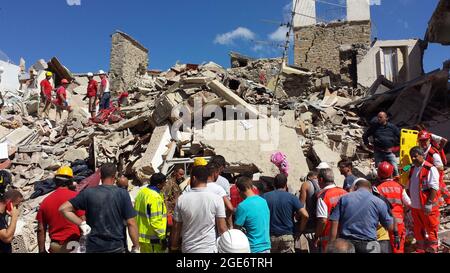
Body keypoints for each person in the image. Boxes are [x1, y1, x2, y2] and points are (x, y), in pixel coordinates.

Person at [59, 163, 140, 253]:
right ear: (114, 176)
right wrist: (136, 246)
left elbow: (63, 209)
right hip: (116, 248)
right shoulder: (122, 194)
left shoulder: (88, 193)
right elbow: (131, 223)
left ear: (100, 175)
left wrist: (82, 224)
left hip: (93, 248)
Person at [170, 166, 228, 253]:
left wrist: (173, 247)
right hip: (209, 249)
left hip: (188, 249)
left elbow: (176, 227)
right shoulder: (216, 199)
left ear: (193, 178)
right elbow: (222, 228)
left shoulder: (182, 199)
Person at [329, 179, 395, 253]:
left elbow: (334, 222)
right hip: (369, 245)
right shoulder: (379, 202)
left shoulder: (344, 198)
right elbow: (390, 227)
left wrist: (332, 244)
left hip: (347, 244)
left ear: (355, 187)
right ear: (370, 189)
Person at [37, 166, 85, 253]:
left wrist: (41, 250)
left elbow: (41, 229)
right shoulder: (76, 197)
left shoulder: (46, 201)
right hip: (73, 245)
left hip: (55, 247)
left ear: (55, 181)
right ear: (70, 182)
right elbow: (83, 221)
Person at [262, 174, 309, 253]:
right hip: (287, 236)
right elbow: (305, 215)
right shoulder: (291, 197)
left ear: (274, 184)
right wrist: (300, 229)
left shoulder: (264, 197)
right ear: (286, 184)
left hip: (270, 236)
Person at [406, 146, 441, 253]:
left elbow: (434, 187)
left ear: (422, 156)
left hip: (427, 206)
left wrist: (429, 203)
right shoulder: (412, 168)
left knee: (431, 227)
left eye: (415, 156)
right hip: (416, 206)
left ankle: (433, 247)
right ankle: (421, 247)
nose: (413, 159)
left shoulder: (430, 168)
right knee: (418, 228)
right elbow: (410, 184)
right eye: (412, 157)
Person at [375, 161, 411, 253]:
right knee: (397, 248)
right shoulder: (399, 187)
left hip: (383, 224)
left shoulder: (377, 189)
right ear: (391, 173)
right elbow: (408, 203)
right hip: (398, 223)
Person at [234, 176, 271, 253]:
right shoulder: (263, 201)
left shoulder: (242, 206)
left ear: (238, 190)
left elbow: (236, 231)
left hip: (253, 248)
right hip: (266, 247)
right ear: (251, 186)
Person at [314, 168, 347, 252]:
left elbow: (322, 220)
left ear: (321, 179)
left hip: (329, 241)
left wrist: (316, 236)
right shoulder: (344, 192)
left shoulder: (323, 196)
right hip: (345, 239)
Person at [134, 173, 168, 253]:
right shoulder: (155, 197)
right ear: (159, 185)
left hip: (142, 237)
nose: (165, 185)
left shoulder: (142, 192)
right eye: (164, 183)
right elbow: (155, 221)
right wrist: (162, 238)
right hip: (153, 239)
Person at [363, 111, 401, 176]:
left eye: (380, 117)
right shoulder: (374, 127)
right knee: (379, 170)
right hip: (378, 152)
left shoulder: (392, 127)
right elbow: (365, 135)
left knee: (395, 169)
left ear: (386, 118)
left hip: (389, 152)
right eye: (378, 117)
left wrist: (397, 147)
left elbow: (401, 136)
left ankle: (395, 183)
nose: (378, 119)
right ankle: (380, 184)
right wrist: (367, 144)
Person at [418, 130, 450, 205]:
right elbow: (413, 164)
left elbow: (440, 168)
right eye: (421, 141)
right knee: (441, 189)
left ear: (429, 140)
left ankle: (443, 204)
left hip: (435, 176)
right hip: (429, 176)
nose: (423, 143)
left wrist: (431, 173)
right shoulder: (421, 152)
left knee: (438, 189)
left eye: (425, 141)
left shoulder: (433, 154)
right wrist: (404, 169)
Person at [299, 171, 320, 252]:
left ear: (308, 177)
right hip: (322, 221)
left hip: (310, 221)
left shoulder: (306, 184)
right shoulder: (323, 183)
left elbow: (301, 204)